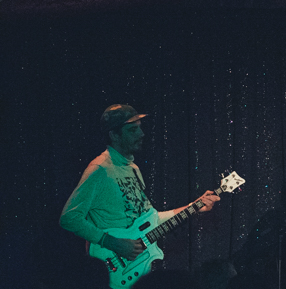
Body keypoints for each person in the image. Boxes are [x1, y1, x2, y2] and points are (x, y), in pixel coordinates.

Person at [59, 105, 220, 270]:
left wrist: (195, 206)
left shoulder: (133, 169)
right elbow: (69, 218)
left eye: (139, 128)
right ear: (114, 135)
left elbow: (151, 219)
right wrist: (113, 243)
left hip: (135, 266)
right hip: (111, 267)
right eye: (132, 130)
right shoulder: (100, 170)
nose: (141, 134)